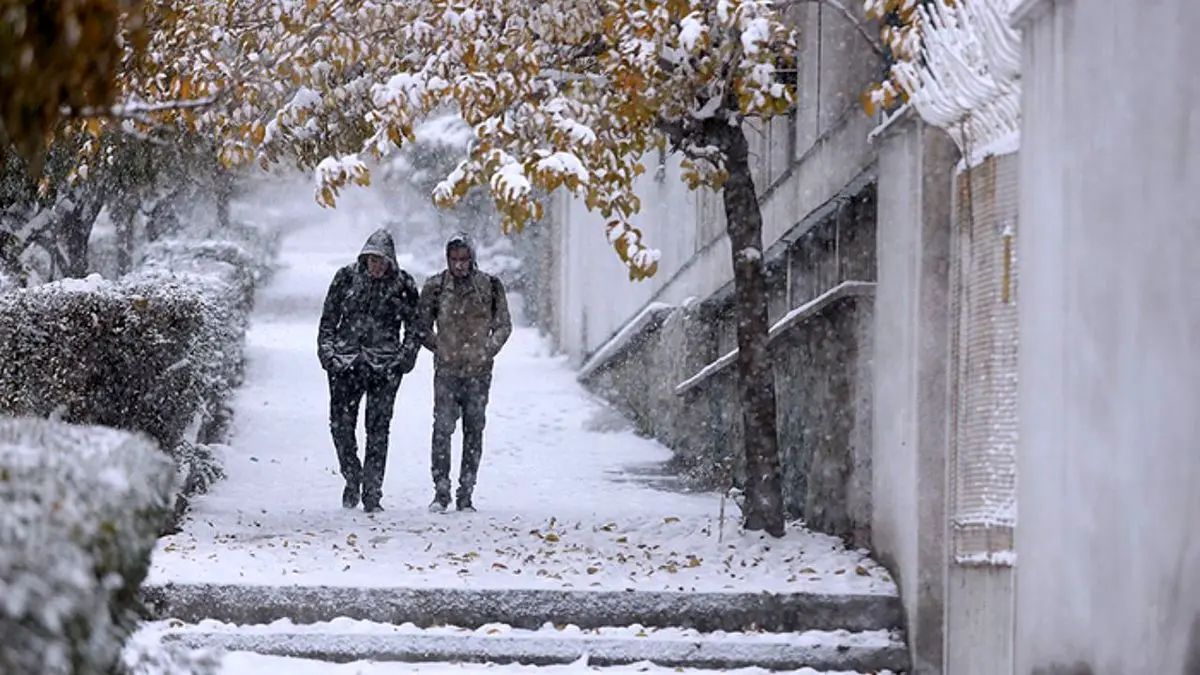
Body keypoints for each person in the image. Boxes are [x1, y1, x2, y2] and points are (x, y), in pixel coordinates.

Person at [318, 228, 420, 513]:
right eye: (371, 260)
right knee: (340, 427)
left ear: (390, 261)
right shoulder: (345, 278)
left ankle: (372, 492)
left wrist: (404, 359)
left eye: (381, 260)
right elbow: (328, 319)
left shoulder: (403, 284)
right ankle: (353, 476)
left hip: (384, 366)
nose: (375, 266)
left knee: (377, 430)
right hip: (345, 364)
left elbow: (415, 327)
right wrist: (329, 354)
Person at [416, 232, 513, 513]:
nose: (459, 265)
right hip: (447, 372)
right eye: (454, 259)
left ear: (472, 258)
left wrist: (487, 350)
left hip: (478, 373)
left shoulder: (489, 287)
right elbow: (421, 325)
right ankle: (441, 490)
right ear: (447, 259)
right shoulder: (436, 287)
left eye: (464, 259)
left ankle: (466, 491)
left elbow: (504, 324)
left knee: (474, 431)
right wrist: (441, 348)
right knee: (442, 430)